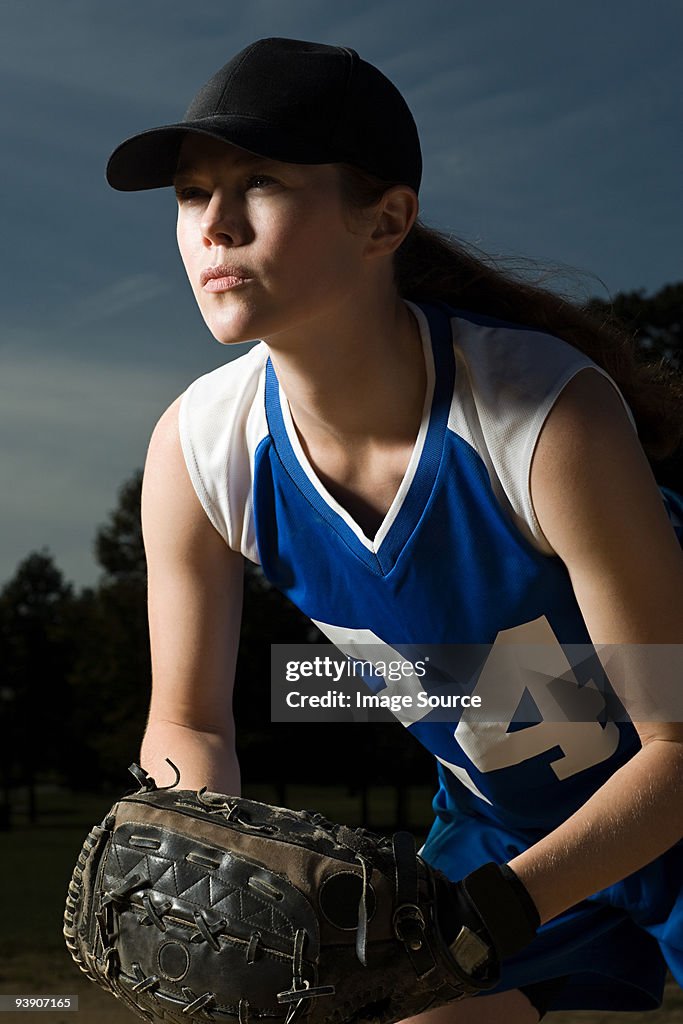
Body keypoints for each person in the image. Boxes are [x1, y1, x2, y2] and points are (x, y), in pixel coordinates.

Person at [105, 37, 683, 1022]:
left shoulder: (542, 421)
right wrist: (190, 845)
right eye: (193, 194)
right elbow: (191, 721)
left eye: (260, 183)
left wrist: (498, 908)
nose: (215, 225)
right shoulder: (198, 450)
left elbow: (674, 739)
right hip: (506, 837)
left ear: (384, 219)